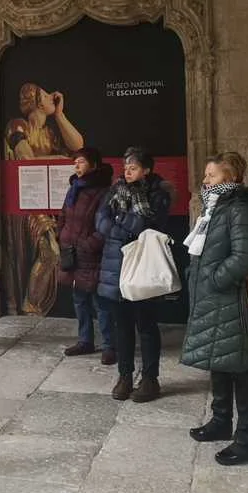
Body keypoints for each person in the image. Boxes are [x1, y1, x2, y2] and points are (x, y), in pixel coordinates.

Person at [181, 152, 248, 466]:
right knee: (219, 364)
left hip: (233, 303)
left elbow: (246, 257)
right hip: (215, 301)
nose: (205, 180)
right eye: (206, 174)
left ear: (232, 177)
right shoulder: (215, 208)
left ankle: (246, 442)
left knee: (242, 373)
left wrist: (214, 278)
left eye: (212, 175)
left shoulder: (240, 209)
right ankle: (221, 422)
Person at [96, 147, 174, 403]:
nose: (127, 172)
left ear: (146, 170)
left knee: (147, 325)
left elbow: (147, 225)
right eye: (126, 167)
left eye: (134, 168)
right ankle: (125, 376)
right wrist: (123, 225)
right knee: (122, 326)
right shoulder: (114, 191)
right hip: (116, 266)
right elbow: (101, 221)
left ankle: (150, 378)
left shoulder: (158, 194)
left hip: (142, 266)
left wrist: (120, 218)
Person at [3, 82, 84, 315]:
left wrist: (59, 115)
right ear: (37, 101)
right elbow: (25, 159)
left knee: (52, 253)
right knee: (50, 251)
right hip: (27, 200)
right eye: (48, 96)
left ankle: (33, 304)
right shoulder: (18, 125)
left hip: (47, 200)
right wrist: (60, 161)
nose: (54, 97)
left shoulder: (49, 133)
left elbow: (78, 145)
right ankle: (30, 306)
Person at [56, 147, 116, 364]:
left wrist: (90, 244)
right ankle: (85, 341)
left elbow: (108, 225)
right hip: (72, 253)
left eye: (81, 161)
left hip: (93, 255)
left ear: (94, 164)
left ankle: (109, 345)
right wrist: (61, 234)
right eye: (75, 162)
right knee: (79, 298)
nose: (76, 165)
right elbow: (64, 214)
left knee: (101, 302)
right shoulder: (74, 188)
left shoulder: (105, 192)